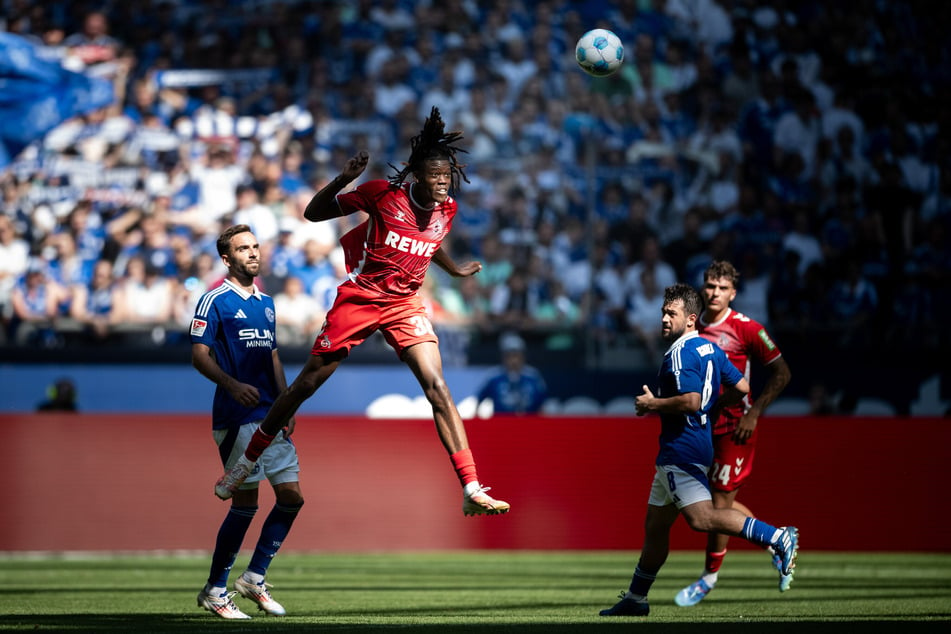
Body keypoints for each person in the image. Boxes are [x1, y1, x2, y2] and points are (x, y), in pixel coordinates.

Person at [214, 107, 510, 517]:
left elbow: (428, 241)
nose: (444, 182)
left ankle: (471, 486)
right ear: (417, 175)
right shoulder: (382, 195)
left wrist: (454, 269)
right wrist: (344, 179)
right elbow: (313, 213)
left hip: (405, 304)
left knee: (437, 386)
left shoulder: (448, 210)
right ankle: (246, 461)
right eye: (436, 175)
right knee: (305, 385)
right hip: (362, 297)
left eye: (448, 175)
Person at [599, 283, 798, 618]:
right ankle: (636, 598)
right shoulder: (711, 348)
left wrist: (653, 404)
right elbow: (743, 388)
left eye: (671, 314)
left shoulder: (679, 353)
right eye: (663, 312)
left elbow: (690, 401)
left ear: (690, 319)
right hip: (688, 449)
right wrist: (714, 407)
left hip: (682, 449)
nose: (663, 318)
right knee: (656, 527)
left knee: (702, 518)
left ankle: (778, 537)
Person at [191, 224, 303, 620]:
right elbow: (199, 355)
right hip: (236, 415)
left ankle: (254, 578)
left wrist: (287, 404)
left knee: (292, 497)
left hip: (270, 415)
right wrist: (232, 383)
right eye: (243, 248)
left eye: (256, 246)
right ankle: (215, 590)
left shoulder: (268, 303)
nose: (253, 253)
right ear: (227, 258)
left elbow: (272, 357)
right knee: (246, 504)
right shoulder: (213, 300)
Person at [674, 260, 793, 606]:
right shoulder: (691, 328)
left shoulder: (748, 329)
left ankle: (708, 578)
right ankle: (776, 540)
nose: (714, 293)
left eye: (722, 288)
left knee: (714, 508)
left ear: (733, 293)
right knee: (715, 502)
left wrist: (753, 414)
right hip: (702, 427)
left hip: (734, 429)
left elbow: (782, 373)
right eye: (710, 286)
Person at [476, 332, 548, 415]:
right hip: (501, 423)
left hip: (530, 423)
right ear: (503, 357)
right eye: (509, 356)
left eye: (516, 355)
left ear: (523, 356)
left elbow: (544, 404)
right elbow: (479, 400)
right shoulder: (494, 377)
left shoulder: (533, 376)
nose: (513, 360)